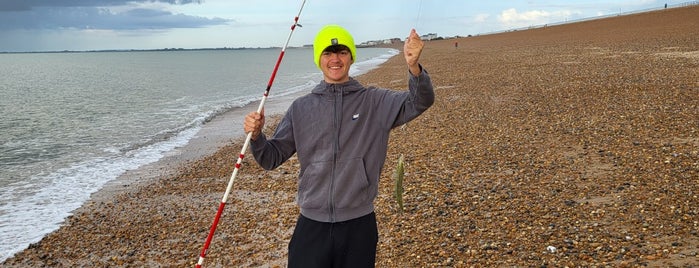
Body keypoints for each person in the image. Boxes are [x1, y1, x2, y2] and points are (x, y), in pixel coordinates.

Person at [243, 24, 434, 267]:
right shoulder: (300, 108)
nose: (335, 59)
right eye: (328, 53)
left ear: (351, 57)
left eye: (342, 52)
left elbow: (420, 101)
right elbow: (270, 158)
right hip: (311, 223)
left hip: (359, 223)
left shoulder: (374, 101)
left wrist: (413, 67)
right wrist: (257, 136)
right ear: (318, 59)